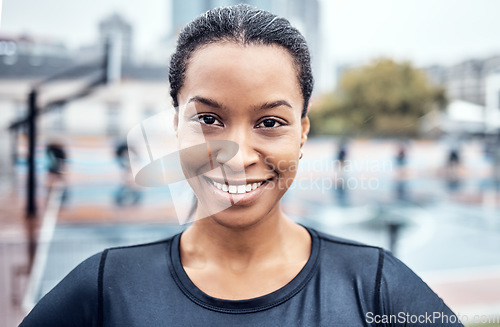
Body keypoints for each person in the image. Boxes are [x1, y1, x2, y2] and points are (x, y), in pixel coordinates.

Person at [20, 5, 463, 326]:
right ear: (177, 127)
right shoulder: (106, 289)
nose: (239, 154)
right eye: (209, 119)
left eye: (270, 122)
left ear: (303, 132)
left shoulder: (374, 288)